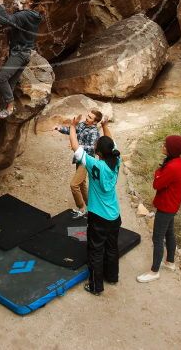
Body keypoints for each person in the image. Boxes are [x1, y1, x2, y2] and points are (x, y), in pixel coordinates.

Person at [68, 115, 121, 296]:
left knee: (95, 251)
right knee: (112, 247)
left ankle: (95, 286)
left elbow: (76, 147)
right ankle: (112, 276)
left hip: (98, 216)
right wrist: (105, 126)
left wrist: (72, 127)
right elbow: (111, 143)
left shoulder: (93, 164)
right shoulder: (116, 160)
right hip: (114, 215)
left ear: (97, 152)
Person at [137, 135, 181, 283]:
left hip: (166, 206)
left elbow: (156, 184)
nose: (163, 146)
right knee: (169, 232)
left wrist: (158, 172)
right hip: (173, 204)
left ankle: (154, 271)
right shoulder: (178, 161)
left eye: (166, 145)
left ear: (172, 149)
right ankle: (170, 262)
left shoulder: (171, 166)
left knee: (158, 238)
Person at [0, 0, 42, 119]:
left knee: (2, 77)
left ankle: (10, 106)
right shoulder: (33, 15)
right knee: (10, 83)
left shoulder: (25, 15)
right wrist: (20, 9)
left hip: (19, 54)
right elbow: (22, 19)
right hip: (25, 54)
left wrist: (0, 0)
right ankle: (3, 107)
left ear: (31, 2)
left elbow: (4, 21)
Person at [55, 109, 105, 218]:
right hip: (79, 157)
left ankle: (82, 208)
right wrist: (60, 129)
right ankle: (91, 206)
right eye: (88, 115)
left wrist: (79, 147)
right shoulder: (83, 124)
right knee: (82, 184)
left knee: (74, 185)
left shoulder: (94, 132)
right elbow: (72, 130)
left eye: (90, 117)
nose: (87, 118)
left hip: (87, 160)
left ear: (95, 122)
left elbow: (93, 149)